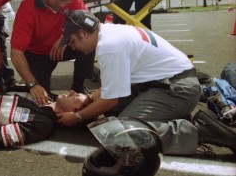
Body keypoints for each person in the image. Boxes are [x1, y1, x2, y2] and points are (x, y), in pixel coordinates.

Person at [57, 10, 236, 155]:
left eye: (72, 42)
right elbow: (115, 86)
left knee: (124, 132)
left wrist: (77, 117)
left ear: (83, 32)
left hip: (178, 90)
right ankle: (173, 117)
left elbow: (111, 99)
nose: (73, 48)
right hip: (171, 84)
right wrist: (90, 100)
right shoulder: (112, 32)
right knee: (110, 110)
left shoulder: (109, 47)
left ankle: (199, 130)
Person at [10, 0, 95, 106]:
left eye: (67, 1)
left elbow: (89, 23)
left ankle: (78, 87)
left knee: (90, 43)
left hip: (62, 47)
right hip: (39, 54)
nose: (62, 5)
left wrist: (64, 38)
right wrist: (32, 84)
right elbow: (16, 52)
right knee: (41, 99)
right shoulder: (27, 7)